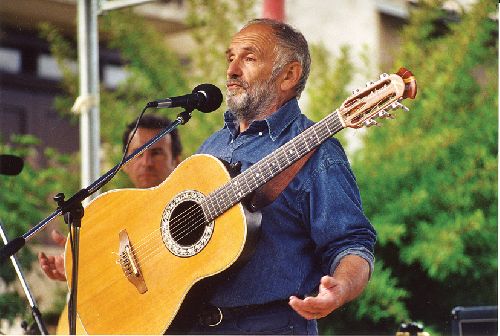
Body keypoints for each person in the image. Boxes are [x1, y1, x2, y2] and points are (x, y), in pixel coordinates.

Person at [183, 18, 376, 335]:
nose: (231, 70)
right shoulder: (212, 145)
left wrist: (339, 289)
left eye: (249, 57)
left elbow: (352, 243)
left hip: (271, 327)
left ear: (289, 75)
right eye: (230, 57)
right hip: (193, 325)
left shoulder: (320, 152)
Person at [38, 114, 182, 281]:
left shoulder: (190, 204)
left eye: (156, 153)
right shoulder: (116, 217)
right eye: (138, 153)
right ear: (125, 164)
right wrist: (83, 270)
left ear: (176, 160)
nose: (146, 162)